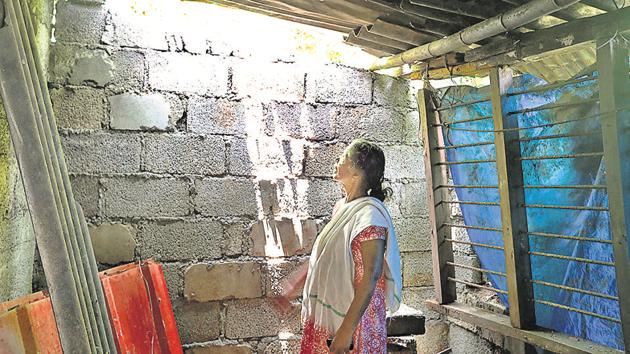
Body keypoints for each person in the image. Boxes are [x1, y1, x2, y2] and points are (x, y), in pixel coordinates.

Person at [274, 139, 402, 354]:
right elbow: (326, 257)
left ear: (355, 173)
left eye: (343, 159)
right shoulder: (342, 208)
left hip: (357, 322)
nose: (337, 163)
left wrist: (345, 331)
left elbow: (371, 275)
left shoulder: (370, 216)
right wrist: (294, 284)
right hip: (329, 319)